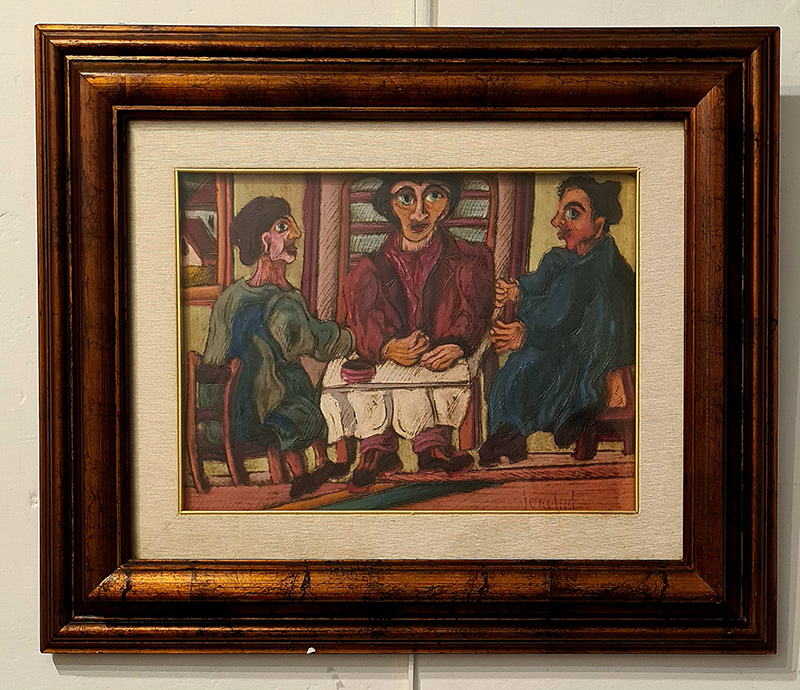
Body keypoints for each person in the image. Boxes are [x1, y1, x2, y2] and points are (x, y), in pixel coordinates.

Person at [343, 174, 494, 489]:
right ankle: (375, 450)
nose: (419, 213)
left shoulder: (470, 259)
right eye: (406, 198)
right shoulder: (371, 269)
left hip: (439, 355)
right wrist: (387, 347)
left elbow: (475, 310)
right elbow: (363, 319)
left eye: (434, 196)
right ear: (390, 205)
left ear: (447, 206)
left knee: (441, 375)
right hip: (392, 359)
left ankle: (434, 446)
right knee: (371, 378)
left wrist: (457, 343)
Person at [201, 196, 354, 497]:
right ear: (263, 241)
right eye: (283, 227)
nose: (296, 234)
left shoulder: (229, 297)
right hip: (266, 414)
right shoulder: (283, 301)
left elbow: (214, 358)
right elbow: (309, 341)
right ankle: (316, 465)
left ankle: (309, 469)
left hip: (227, 418)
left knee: (289, 380)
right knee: (299, 386)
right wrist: (350, 338)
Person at [479, 175, 635, 466]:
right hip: (563, 344)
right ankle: (508, 434)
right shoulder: (565, 260)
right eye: (560, 212)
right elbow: (548, 294)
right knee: (521, 364)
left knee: (529, 363)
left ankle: (512, 432)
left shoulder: (600, 270)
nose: (556, 222)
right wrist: (518, 292)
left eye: (572, 214)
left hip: (592, 356)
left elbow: (563, 318)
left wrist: (526, 332)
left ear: (598, 224)